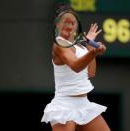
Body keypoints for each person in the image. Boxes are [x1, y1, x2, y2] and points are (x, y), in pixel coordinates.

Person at [41, 2, 111, 131]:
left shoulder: (80, 46)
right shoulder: (59, 44)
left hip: (84, 104)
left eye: (72, 22)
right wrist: (94, 51)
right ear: (57, 24)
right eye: (65, 22)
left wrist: (90, 46)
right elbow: (75, 66)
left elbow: (91, 73)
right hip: (64, 106)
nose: (69, 25)